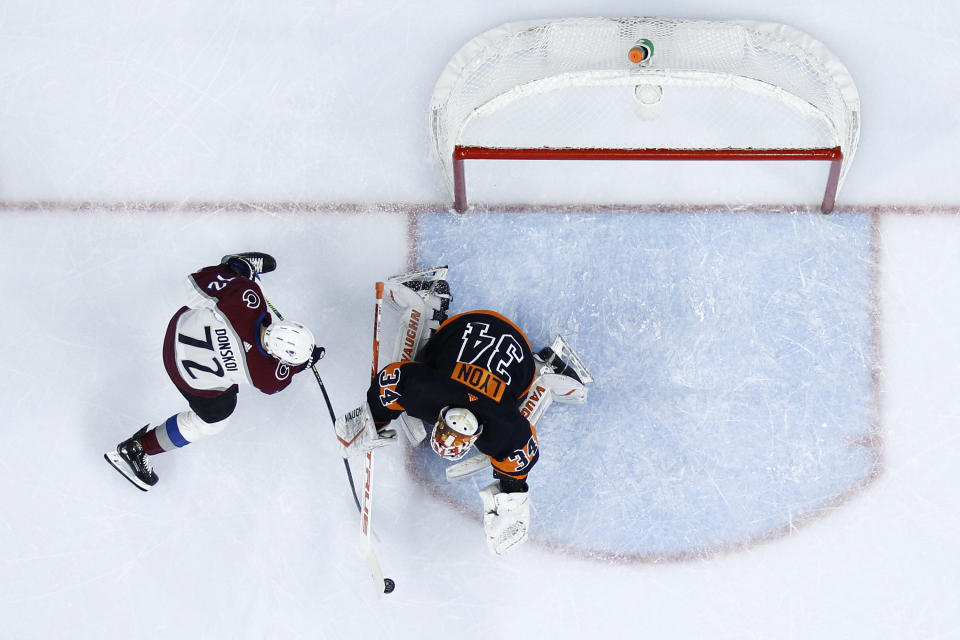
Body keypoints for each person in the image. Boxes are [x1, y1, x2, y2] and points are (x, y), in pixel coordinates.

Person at [336, 268, 589, 555]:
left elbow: (391, 380)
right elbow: (521, 457)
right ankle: (546, 370)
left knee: (422, 363)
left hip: (467, 328)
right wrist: (510, 500)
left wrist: (373, 417)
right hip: (501, 343)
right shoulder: (497, 428)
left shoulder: (430, 395)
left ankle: (427, 304)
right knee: (508, 412)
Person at [105, 252, 325, 491]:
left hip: (177, 334)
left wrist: (233, 272)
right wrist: (305, 362)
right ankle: (139, 448)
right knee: (217, 418)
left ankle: (240, 265)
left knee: (213, 299)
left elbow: (191, 285)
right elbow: (285, 372)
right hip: (189, 380)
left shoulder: (246, 295)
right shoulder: (268, 377)